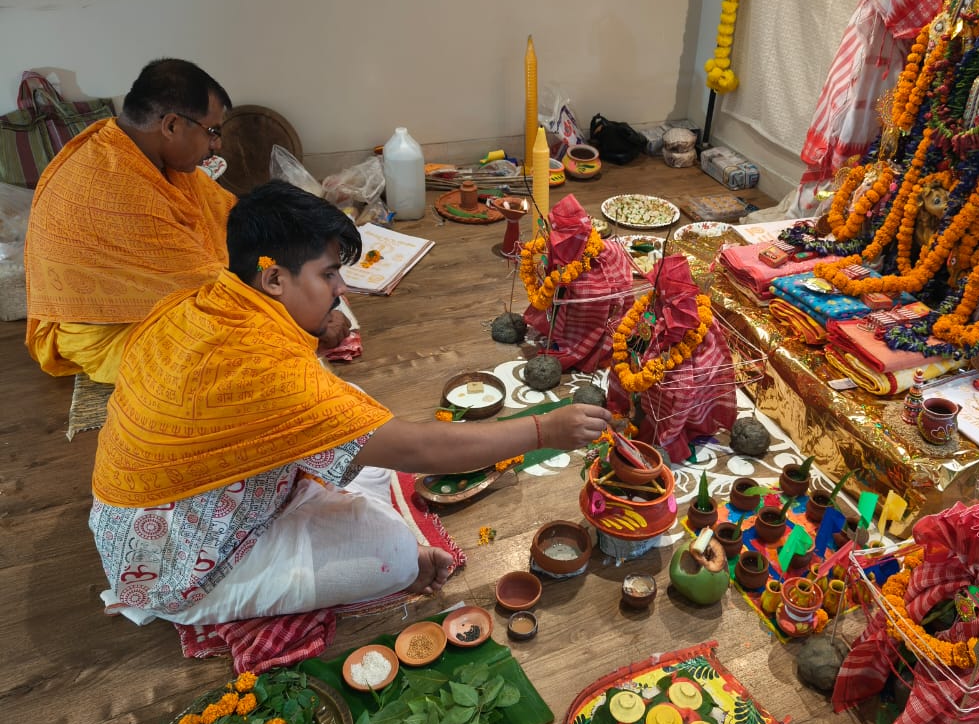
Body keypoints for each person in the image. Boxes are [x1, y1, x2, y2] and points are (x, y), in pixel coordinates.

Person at [89, 180, 610, 626]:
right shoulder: (263, 367)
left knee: (357, 415)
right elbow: (424, 451)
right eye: (327, 275)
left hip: (176, 502)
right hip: (172, 560)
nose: (342, 289)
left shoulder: (203, 299)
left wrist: (316, 326)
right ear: (273, 278)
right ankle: (223, 591)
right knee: (397, 556)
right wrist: (547, 431)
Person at [25, 58, 236, 383]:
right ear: (171, 126)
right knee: (238, 344)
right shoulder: (116, 186)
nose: (217, 145)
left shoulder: (144, 154)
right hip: (105, 332)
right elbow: (210, 288)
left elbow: (228, 214)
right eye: (213, 132)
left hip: (167, 298)